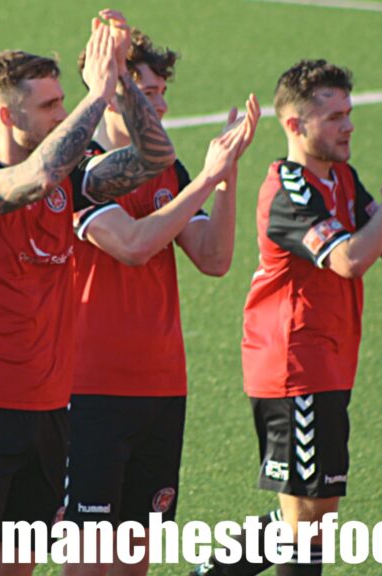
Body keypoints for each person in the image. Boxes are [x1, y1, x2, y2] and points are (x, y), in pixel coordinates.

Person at [0, 12, 204, 575]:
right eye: (51, 106)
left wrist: (121, 80)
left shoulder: (72, 185)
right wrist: (98, 95)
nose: (63, 113)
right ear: (8, 115)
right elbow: (30, 179)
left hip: (49, 415)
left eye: (64, 102)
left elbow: (154, 161)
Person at [194, 59, 382, 576]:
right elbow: (350, 259)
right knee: (306, 519)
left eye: (349, 113)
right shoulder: (289, 192)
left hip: (328, 361)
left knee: (311, 516)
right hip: (293, 366)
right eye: (335, 117)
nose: (349, 126)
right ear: (295, 125)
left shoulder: (341, 177)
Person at [62, 25, 259, 576]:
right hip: (89, 390)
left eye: (162, 92)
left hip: (162, 388)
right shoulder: (78, 167)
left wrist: (226, 176)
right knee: (88, 562)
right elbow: (132, 244)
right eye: (149, 93)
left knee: (134, 562)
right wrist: (207, 179)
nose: (164, 104)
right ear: (112, 88)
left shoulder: (170, 171)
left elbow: (214, 258)